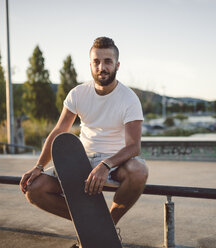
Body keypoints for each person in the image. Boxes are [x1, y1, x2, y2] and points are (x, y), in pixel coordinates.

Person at [19, 37, 148, 230]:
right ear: (90, 64)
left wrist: (106, 165)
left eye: (107, 62)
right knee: (34, 189)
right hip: (81, 161)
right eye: (96, 62)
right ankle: (93, 224)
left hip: (115, 164)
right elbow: (59, 131)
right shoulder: (78, 94)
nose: (101, 67)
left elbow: (133, 147)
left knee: (139, 171)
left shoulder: (129, 99)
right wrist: (38, 166)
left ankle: (108, 225)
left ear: (117, 65)